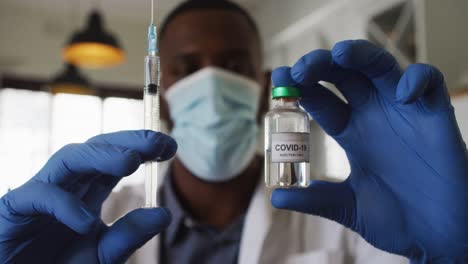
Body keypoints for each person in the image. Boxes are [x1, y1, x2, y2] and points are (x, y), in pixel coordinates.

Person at [1, 1, 467, 264]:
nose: (212, 82)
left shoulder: (346, 221)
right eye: (186, 68)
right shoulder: (98, 221)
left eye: (233, 66)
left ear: (264, 90)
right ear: (161, 95)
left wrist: (455, 255)